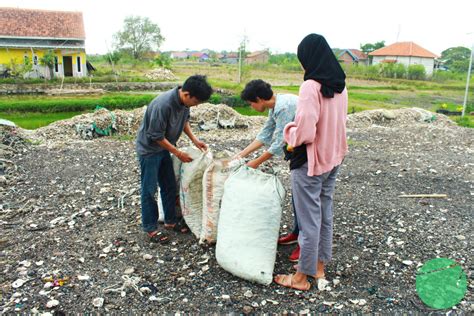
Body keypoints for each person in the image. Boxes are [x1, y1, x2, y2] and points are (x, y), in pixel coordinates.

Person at [274, 34, 348, 291]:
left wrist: (289, 135)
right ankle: (318, 267)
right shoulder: (340, 85)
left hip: (311, 161)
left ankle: (300, 278)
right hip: (333, 158)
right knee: (324, 214)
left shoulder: (311, 86)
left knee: (308, 220)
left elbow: (305, 130)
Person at [136, 75, 213, 243]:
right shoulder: (162, 105)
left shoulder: (184, 103)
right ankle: (150, 228)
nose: (196, 105)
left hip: (164, 148)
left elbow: (184, 121)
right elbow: (155, 135)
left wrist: (195, 140)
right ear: (186, 94)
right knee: (149, 189)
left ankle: (170, 221)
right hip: (149, 150)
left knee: (169, 185)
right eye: (196, 102)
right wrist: (178, 153)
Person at [237, 80, 301, 259]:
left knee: (305, 200)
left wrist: (256, 162)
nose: (251, 106)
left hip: (309, 151)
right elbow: (265, 135)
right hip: (297, 150)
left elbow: (280, 141)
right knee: (297, 196)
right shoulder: (276, 106)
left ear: (259, 99)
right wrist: (241, 155)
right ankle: (297, 233)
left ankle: (305, 244)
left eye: (251, 103)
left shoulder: (284, 107)